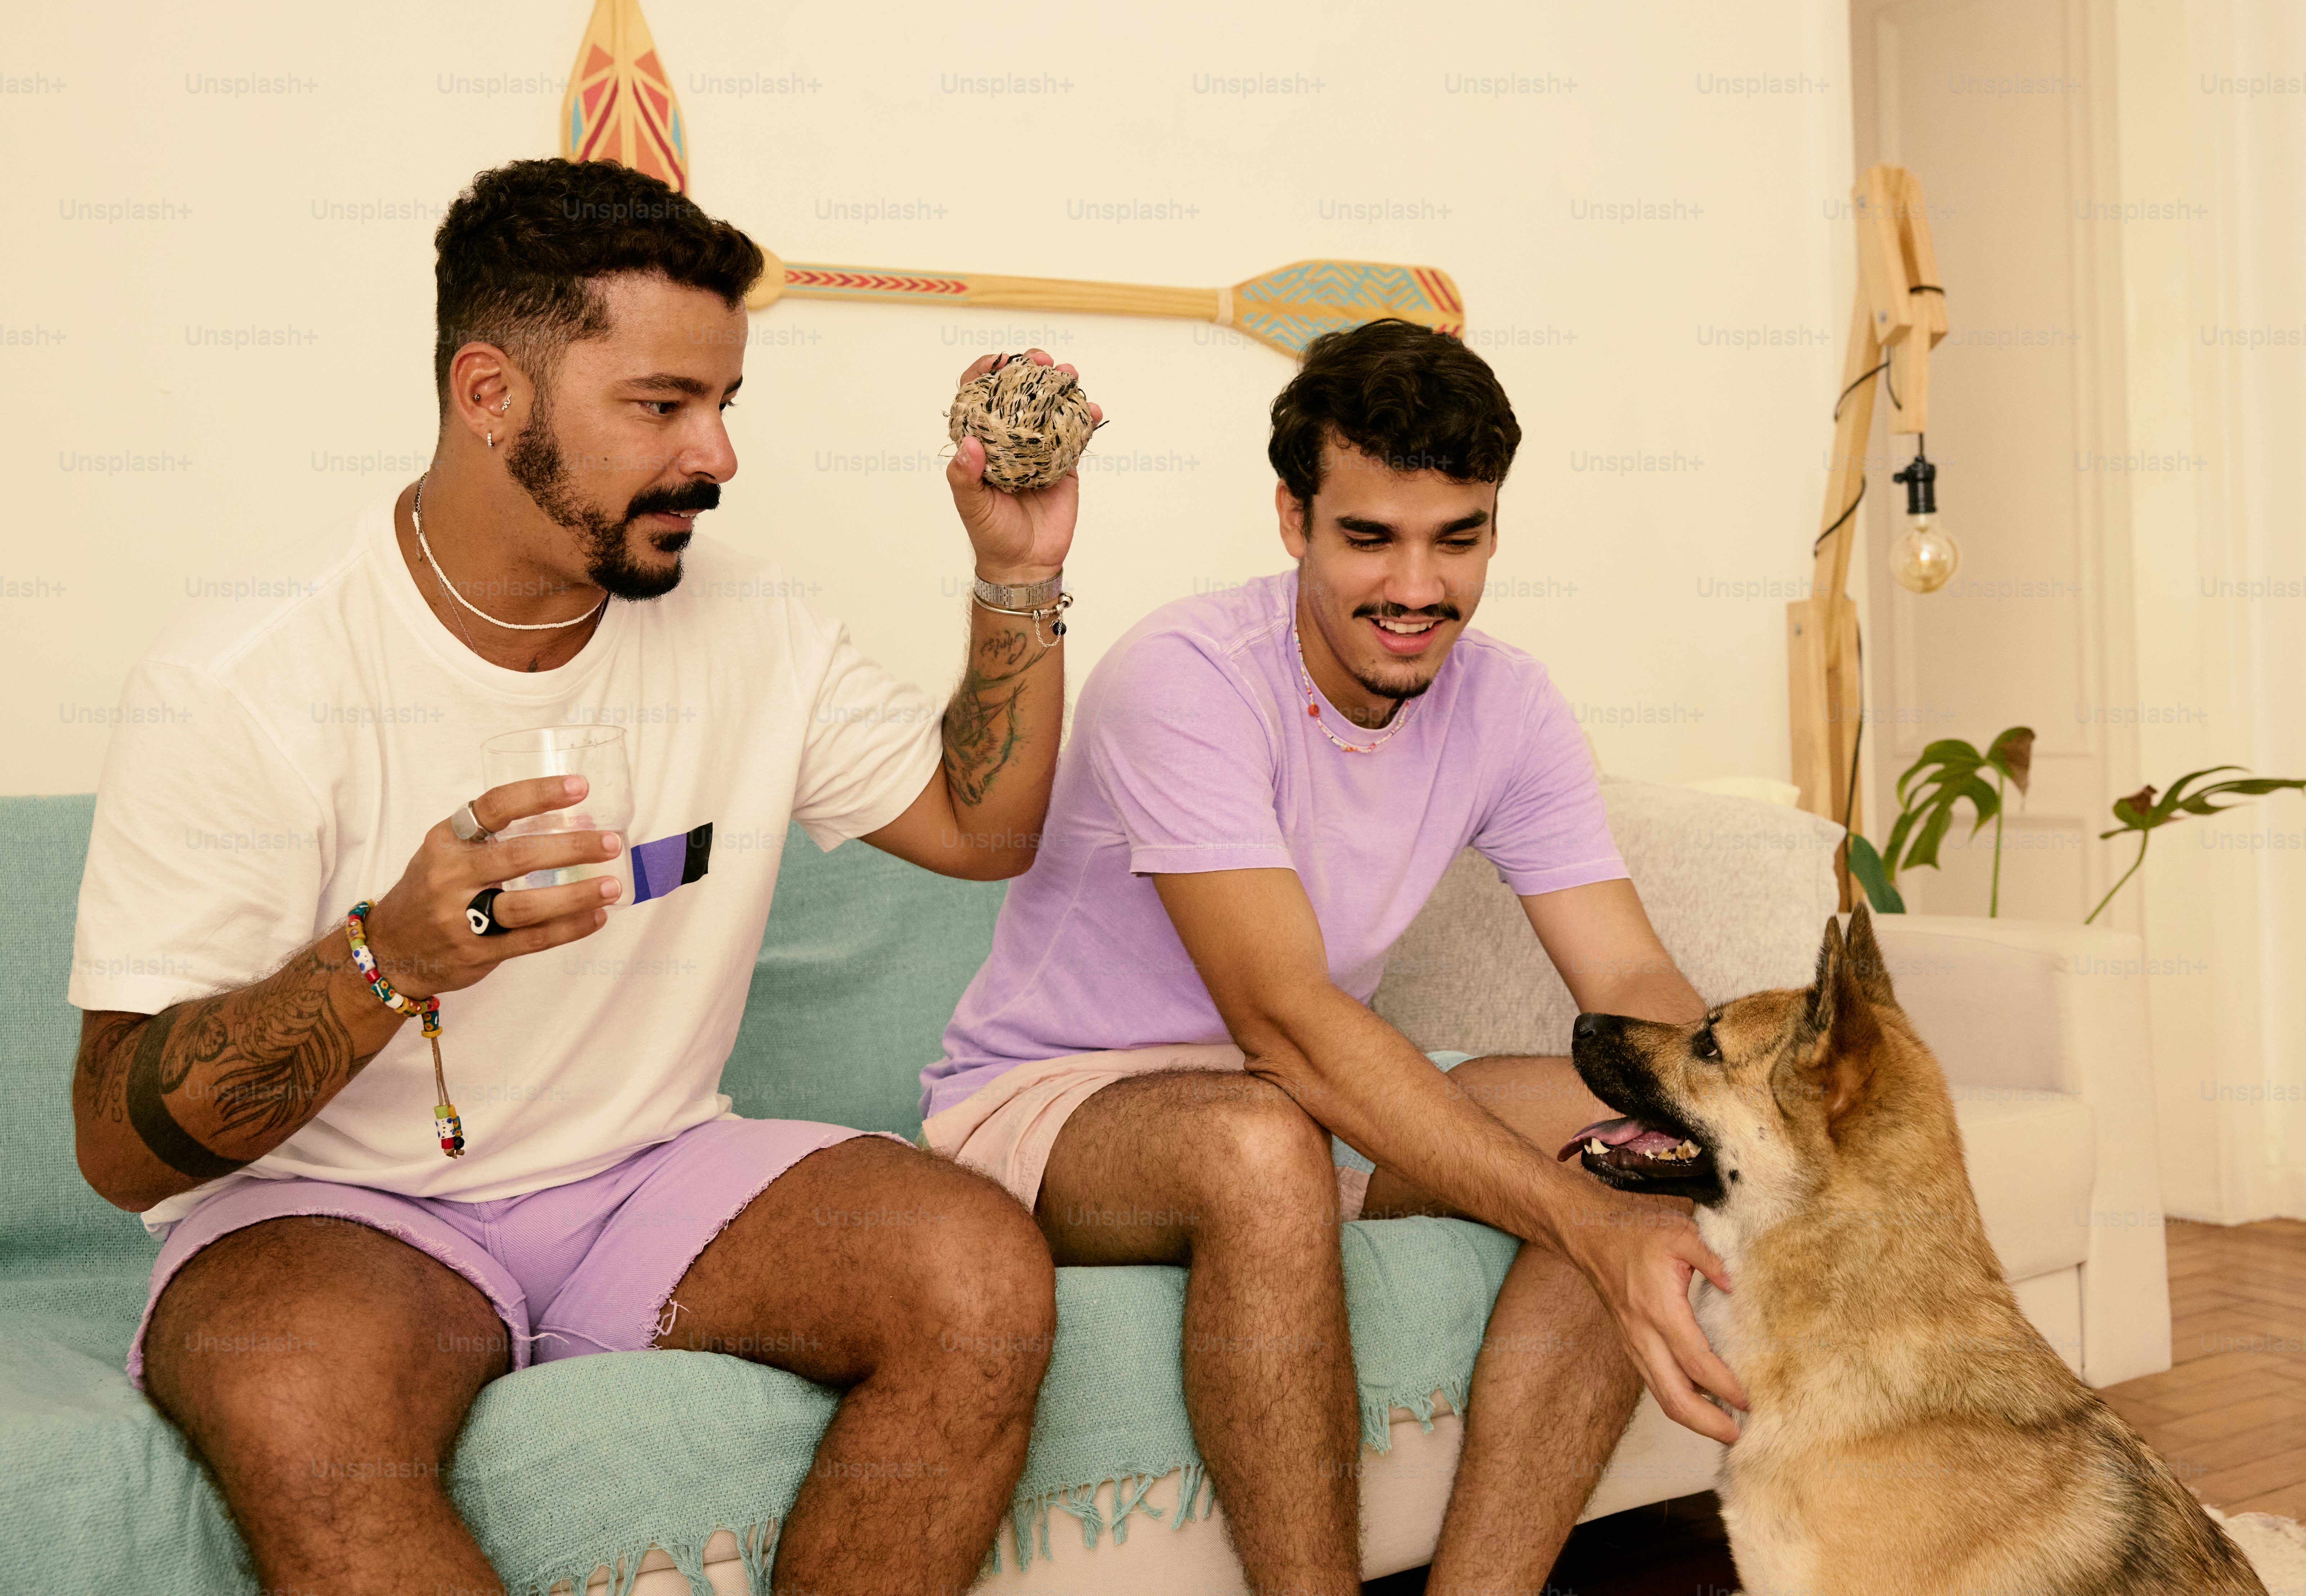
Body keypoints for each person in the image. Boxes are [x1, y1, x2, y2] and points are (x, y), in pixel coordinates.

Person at [67, 157, 1084, 1596]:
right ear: (493, 395)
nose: (717, 456)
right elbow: (115, 1139)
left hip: (649, 1170)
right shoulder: (245, 679)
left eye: (724, 405)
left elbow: (984, 829)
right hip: (336, 1210)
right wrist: (387, 959)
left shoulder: (756, 628)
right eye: (663, 406)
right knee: (296, 1397)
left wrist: (1017, 577)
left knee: (974, 1275)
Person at [920, 317, 1745, 1596]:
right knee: (1261, 1147)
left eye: (1456, 539)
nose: (1417, 587)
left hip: (1304, 1100)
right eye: (1370, 538)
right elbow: (1288, 1022)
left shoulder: (1509, 705)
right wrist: (1579, 1222)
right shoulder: (1188, 678)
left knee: (1645, 1124)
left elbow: (1631, 987)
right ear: (1294, 521)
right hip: (1057, 1107)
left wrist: (1725, 1109)